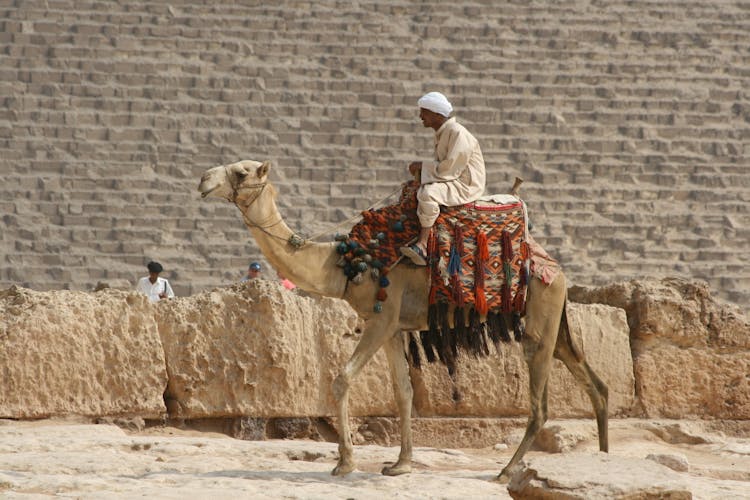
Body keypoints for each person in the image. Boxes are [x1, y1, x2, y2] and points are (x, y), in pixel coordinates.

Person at [400, 91, 486, 266]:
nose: (420, 116)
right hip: (452, 177)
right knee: (411, 189)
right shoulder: (443, 133)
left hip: (465, 184)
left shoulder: (457, 133)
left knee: (428, 193)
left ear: (436, 114)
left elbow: (450, 168)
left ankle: (423, 245)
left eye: (424, 112)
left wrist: (422, 167)